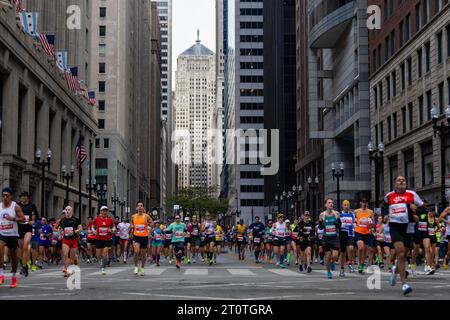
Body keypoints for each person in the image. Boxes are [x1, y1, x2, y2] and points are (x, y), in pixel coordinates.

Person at [383, 176, 425, 296]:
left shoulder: (412, 195)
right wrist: (385, 215)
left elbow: (423, 209)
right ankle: (404, 284)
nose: (401, 181)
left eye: (403, 180)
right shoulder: (389, 196)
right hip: (395, 227)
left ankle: (395, 272)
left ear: (406, 184)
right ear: (395, 184)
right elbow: (384, 208)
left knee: (404, 255)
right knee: (400, 253)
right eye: (398, 180)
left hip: (408, 227)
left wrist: (416, 211)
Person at [0, 187, 26, 288]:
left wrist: (13, 218)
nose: (5, 197)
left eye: (7, 195)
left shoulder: (15, 206)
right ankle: (1, 274)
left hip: (12, 235)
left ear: (10, 196)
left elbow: (23, 219)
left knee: (14, 257)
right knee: (0, 252)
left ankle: (14, 277)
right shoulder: (0, 206)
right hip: (2, 234)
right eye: (3, 195)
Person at [17, 191, 38, 277]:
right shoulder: (17, 205)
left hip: (28, 229)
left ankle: (24, 265)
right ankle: (24, 266)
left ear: (28, 197)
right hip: (18, 229)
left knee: (26, 246)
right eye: (21, 196)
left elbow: (34, 217)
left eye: (24, 196)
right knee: (21, 250)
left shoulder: (32, 206)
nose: (23, 197)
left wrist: (32, 221)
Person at [58, 206, 82, 277]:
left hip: (74, 240)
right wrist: (60, 234)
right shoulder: (62, 220)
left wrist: (75, 231)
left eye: (69, 210)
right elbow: (59, 228)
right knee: (65, 254)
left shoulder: (75, 219)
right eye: (66, 210)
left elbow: (80, 228)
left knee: (72, 257)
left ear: (71, 211)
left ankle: (72, 264)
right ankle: (66, 270)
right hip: (65, 239)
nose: (67, 211)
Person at [319, 198, 340, 279]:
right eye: (329, 203)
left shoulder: (336, 213)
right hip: (326, 238)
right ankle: (328, 272)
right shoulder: (322, 215)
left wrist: (336, 222)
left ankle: (333, 262)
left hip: (334, 237)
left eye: (332, 203)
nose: (331, 204)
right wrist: (321, 222)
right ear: (325, 205)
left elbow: (340, 226)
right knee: (327, 256)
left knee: (335, 255)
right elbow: (320, 228)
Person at [130, 201, 153, 275]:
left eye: (141, 206)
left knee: (143, 254)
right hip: (136, 236)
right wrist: (131, 226)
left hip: (144, 237)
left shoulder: (146, 216)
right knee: (136, 251)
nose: (140, 207)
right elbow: (131, 223)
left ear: (143, 208)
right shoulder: (133, 216)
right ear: (136, 208)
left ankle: (142, 267)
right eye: (138, 206)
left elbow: (152, 224)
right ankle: (136, 267)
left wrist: (148, 224)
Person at [92, 206, 115, 275]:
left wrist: (112, 230)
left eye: (106, 211)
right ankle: (101, 261)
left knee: (104, 253)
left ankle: (103, 268)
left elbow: (113, 227)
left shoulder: (110, 220)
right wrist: (94, 231)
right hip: (98, 239)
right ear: (100, 211)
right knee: (98, 255)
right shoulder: (97, 219)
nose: (105, 212)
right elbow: (93, 226)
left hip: (107, 239)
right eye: (103, 210)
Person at [354, 197, 374, 274]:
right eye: (363, 202)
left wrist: (371, 222)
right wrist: (354, 223)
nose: (364, 203)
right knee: (361, 247)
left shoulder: (370, 212)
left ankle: (362, 264)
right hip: (358, 232)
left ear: (367, 203)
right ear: (360, 203)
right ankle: (359, 263)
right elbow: (354, 221)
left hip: (367, 233)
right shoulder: (356, 211)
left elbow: (373, 224)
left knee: (365, 250)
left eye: (365, 202)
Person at [338, 201, 355, 276]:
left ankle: (350, 263)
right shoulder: (340, 215)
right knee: (343, 252)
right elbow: (337, 225)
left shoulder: (352, 215)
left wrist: (354, 227)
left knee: (351, 248)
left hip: (350, 234)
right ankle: (342, 269)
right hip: (342, 235)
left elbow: (354, 223)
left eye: (347, 205)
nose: (346, 206)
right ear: (342, 206)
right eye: (345, 205)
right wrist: (342, 225)